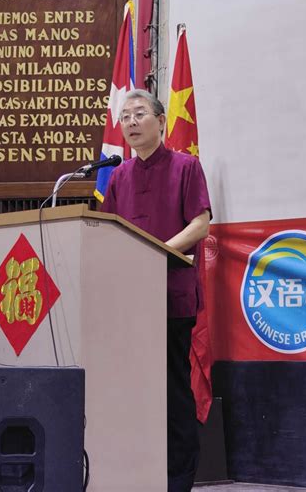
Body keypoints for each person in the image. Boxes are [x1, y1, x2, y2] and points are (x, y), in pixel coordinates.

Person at [101, 89, 211, 492]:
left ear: (162, 121)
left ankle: (178, 479)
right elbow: (107, 232)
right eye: (125, 115)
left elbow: (200, 224)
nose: (130, 122)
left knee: (172, 391)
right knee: (132, 391)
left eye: (139, 113)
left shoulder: (186, 167)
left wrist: (158, 251)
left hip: (170, 298)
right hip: (129, 303)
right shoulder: (118, 176)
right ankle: (136, 471)